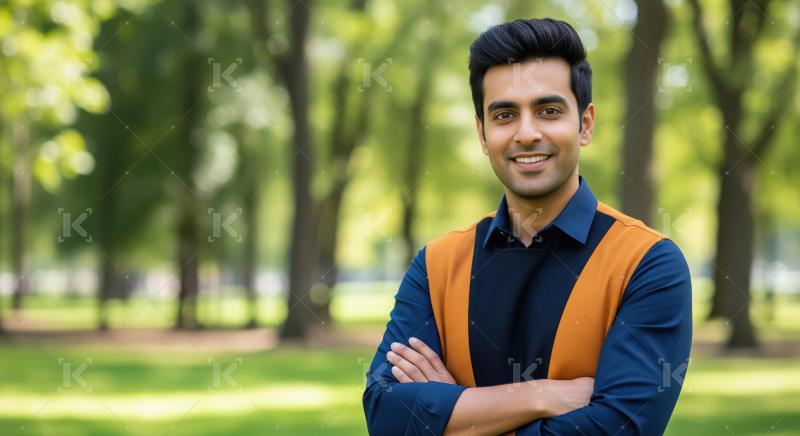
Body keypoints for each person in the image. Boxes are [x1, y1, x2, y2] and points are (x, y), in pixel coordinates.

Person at [362, 18, 692, 435]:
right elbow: (384, 414)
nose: (527, 133)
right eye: (504, 115)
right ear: (483, 134)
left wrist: (456, 414)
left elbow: (618, 428)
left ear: (585, 124)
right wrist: (541, 396)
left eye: (548, 111)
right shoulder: (438, 264)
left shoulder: (647, 263)